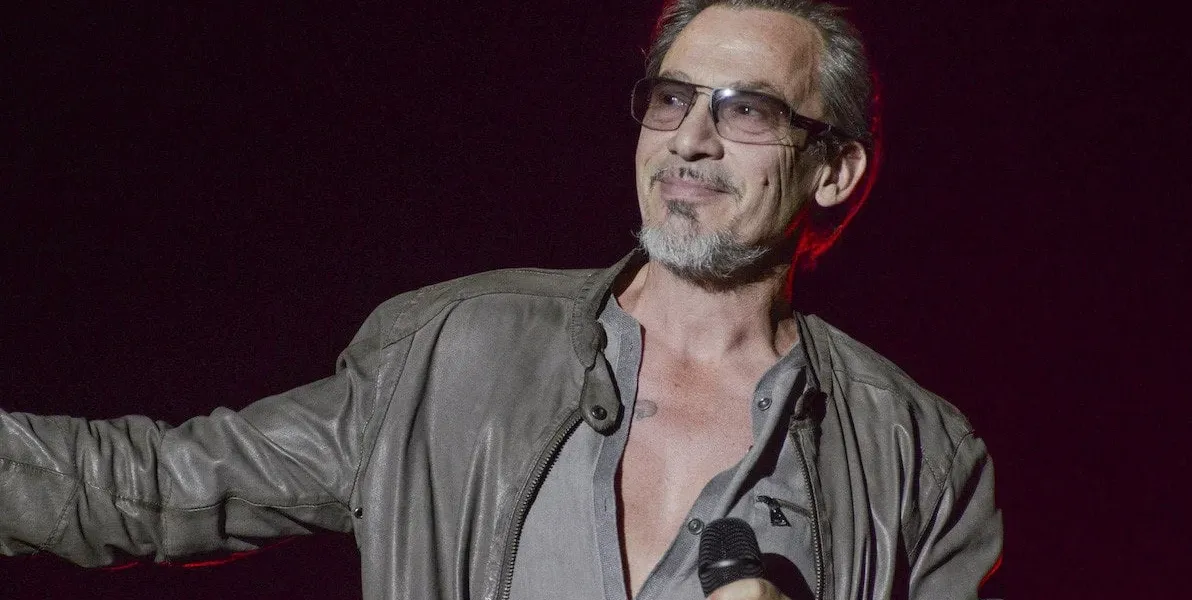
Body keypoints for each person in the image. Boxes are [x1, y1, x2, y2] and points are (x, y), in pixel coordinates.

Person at [0, 0, 1003, 598]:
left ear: (834, 170)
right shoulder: (456, 354)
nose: (690, 139)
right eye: (671, 98)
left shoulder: (916, 459)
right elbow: (156, 486)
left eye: (746, 111)